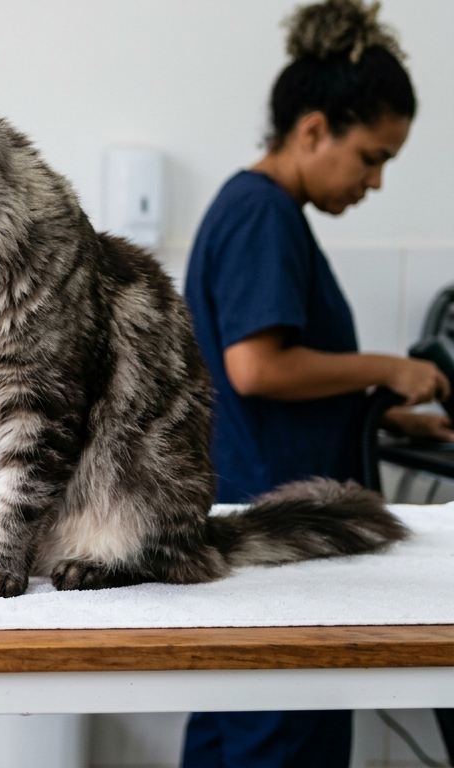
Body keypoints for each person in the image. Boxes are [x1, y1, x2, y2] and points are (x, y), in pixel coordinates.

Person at [182, 1, 451, 766]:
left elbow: (267, 386)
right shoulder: (261, 214)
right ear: (311, 130)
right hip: (276, 533)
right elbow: (256, 368)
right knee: (276, 738)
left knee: (239, 731)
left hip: (263, 523)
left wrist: (388, 418)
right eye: (371, 156)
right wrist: (388, 369)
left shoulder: (265, 211)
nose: (375, 180)